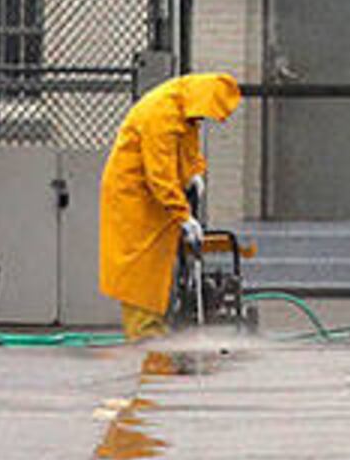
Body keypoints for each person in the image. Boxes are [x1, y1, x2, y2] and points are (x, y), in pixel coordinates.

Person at [97, 71, 242, 338]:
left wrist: (194, 173)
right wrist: (183, 215)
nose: (202, 120)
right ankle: (145, 337)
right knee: (140, 272)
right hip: (135, 199)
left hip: (155, 201)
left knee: (160, 269)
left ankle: (157, 330)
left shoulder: (186, 112)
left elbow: (188, 149)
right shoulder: (160, 114)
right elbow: (159, 174)